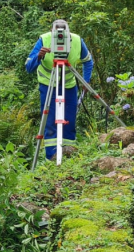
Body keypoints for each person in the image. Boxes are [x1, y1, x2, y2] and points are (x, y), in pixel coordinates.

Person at [25, 21, 93, 160]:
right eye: (57, 33)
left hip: (68, 85)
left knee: (69, 120)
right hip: (48, 85)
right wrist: (39, 56)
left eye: (63, 33)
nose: (60, 37)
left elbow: (88, 61)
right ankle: (52, 157)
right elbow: (28, 67)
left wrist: (86, 80)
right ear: (51, 31)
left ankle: (69, 156)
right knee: (50, 122)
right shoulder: (44, 39)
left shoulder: (76, 40)